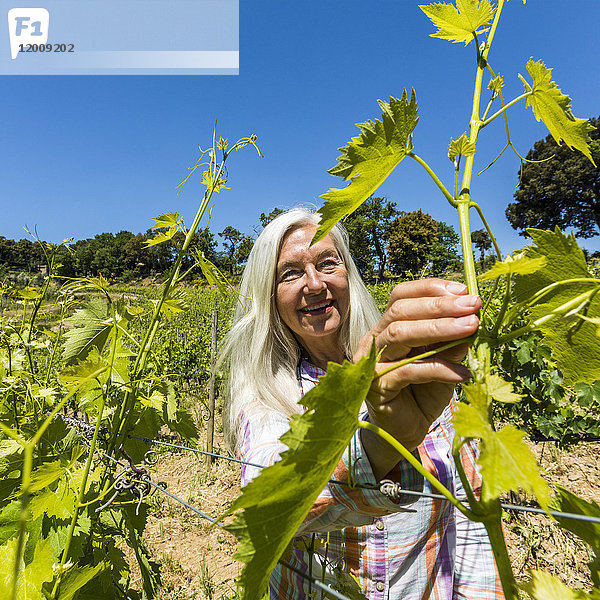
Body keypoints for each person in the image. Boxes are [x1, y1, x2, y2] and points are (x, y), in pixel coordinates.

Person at [221, 208, 503, 600]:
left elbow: (472, 524)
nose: (315, 283)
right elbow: (269, 499)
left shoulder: (410, 371)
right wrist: (380, 441)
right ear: (269, 297)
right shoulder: (266, 393)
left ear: (349, 276)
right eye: (290, 272)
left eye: (327, 263)